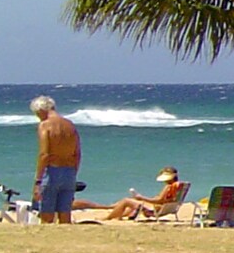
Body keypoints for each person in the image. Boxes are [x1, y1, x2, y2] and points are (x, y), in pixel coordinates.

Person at [30, 95, 81, 225]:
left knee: (46, 217)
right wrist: (74, 173)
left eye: (37, 114)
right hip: (69, 172)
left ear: (41, 110)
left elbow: (44, 154)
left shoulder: (45, 125)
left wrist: (38, 181)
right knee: (65, 217)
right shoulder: (70, 125)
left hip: (52, 173)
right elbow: (77, 154)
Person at [83, 166, 188, 221]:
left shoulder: (169, 187)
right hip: (167, 209)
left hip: (155, 210)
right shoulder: (178, 186)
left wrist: (142, 197)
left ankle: (108, 217)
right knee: (132, 201)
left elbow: (159, 200)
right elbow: (164, 200)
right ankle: (118, 215)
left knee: (126, 201)